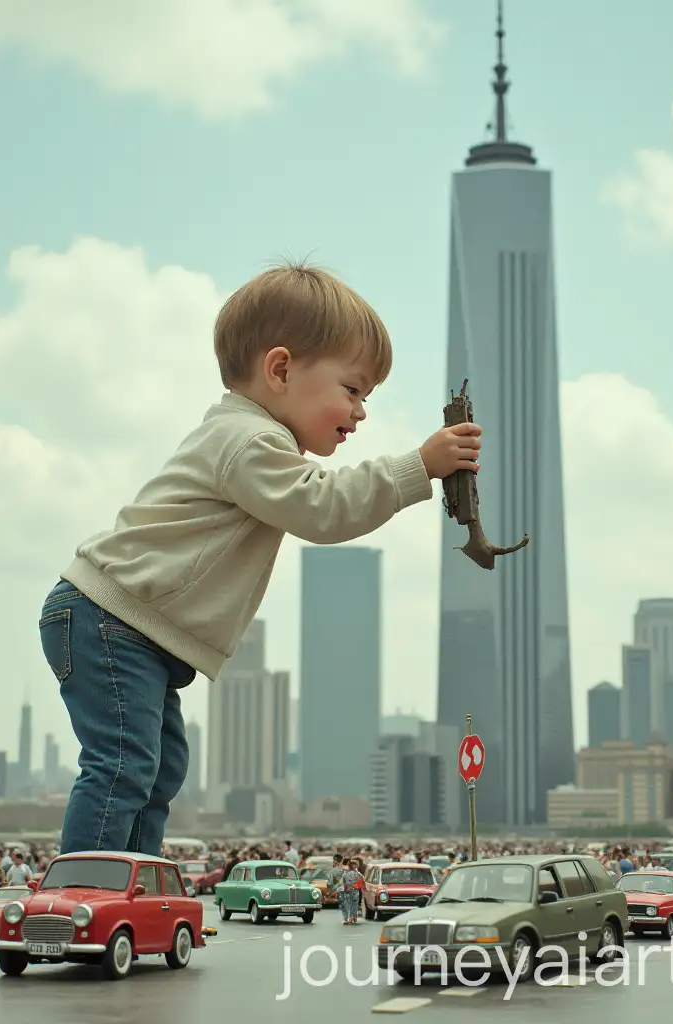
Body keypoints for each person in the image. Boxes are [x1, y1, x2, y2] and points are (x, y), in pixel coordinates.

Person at [38, 262, 482, 856]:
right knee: (122, 766)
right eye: (352, 390)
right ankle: (86, 896)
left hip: (119, 623)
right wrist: (419, 465)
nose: (361, 411)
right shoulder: (249, 442)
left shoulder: (249, 439)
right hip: (111, 620)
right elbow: (324, 508)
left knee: (156, 771)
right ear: (280, 370)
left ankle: (131, 888)